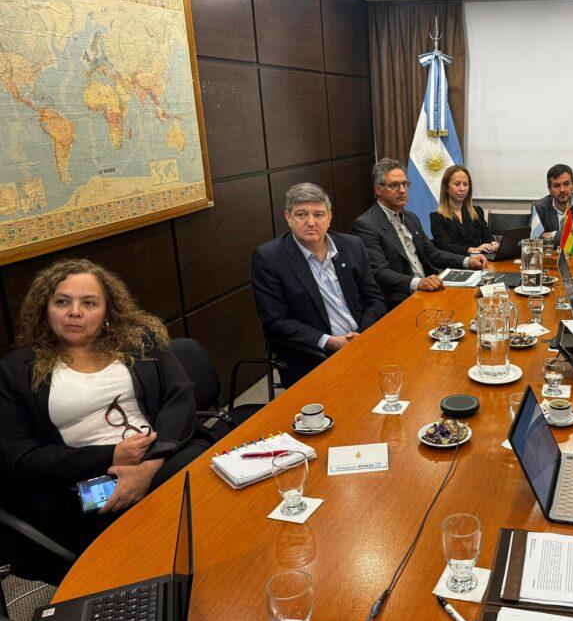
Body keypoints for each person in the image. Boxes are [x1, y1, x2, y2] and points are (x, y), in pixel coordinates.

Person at [0, 259, 206, 578]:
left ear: (107, 309)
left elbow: (180, 396)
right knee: (183, 508)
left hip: (163, 455)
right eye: (62, 302)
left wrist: (148, 467)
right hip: (85, 486)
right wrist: (111, 455)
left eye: (89, 303)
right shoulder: (16, 370)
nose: (75, 312)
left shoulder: (139, 341)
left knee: (210, 474)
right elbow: (22, 458)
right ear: (45, 309)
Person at [252, 183, 386, 387]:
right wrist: (329, 342)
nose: (311, 222)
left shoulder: (352, 245)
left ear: (329, 217)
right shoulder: (269, 258)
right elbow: (275, 322)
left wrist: (361, 336)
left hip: (363, 340)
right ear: (288, 217)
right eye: (301, 214)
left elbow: (374, 298)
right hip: (314, 355)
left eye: (318, 214)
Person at [351, 158, 486, 308]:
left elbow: (432, 253)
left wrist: (467, 261)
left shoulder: (410, 218)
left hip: (429, 290)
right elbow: (380, 272)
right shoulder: (366, 225)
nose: (402, 190)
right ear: (378, 190)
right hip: (400, 299)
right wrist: (418, 283)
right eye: (394, 185)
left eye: (404, 184)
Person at [429, 165, 498, 256]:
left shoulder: (477, 212)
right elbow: (445, 246)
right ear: (446, 188)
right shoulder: (437, 217)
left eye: (465, 184)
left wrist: (493, 243)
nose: (462, 189)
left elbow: (487, 236)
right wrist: (472, 250)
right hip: (454, 262)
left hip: (480, 260)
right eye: (457, 184)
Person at [531, 163, 573, 249]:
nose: (562, 190)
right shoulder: (539, 207)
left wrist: (553, 235)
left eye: (566, 184)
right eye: (556, 186)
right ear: (549, 189)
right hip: (549, 256)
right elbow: (532, 241)